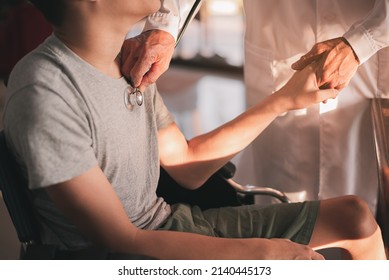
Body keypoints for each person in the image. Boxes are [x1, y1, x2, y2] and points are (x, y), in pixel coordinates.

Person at [3, 0, 386, 260]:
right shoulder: (45, 90)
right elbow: (123, 240)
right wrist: (263, 254)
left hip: (169, 223)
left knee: (355, 218)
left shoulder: (123, 63)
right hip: (123, 257)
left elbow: (187, 164)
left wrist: (283, 100)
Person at [121, 0, 389, 214]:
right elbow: (186, 165)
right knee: (293, 206)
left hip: (369, 65)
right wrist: (164, 23)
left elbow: (187, 164)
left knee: (361, 211)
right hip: (281, 41)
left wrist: (361, 42)